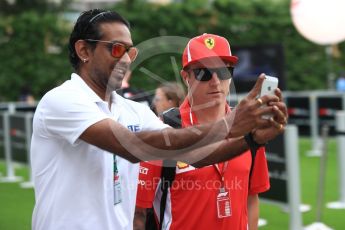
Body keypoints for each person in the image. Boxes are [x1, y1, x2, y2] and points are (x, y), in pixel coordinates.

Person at [30, 9, 287, 230]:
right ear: (84, 50)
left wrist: (252, 140)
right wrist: (231, 125)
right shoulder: (61, 100)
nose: (126, 59)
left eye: (130, 52)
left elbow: (196, 153)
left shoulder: (133, 111)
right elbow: (131, 146)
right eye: (117, 49)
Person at [135, 34, 273, 230]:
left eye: (224, 70)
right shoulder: (164, 130)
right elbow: (138, 211)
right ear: (186, 77)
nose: (216, 81)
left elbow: (252, 197)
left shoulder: (247, 126)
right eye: (204, 73)